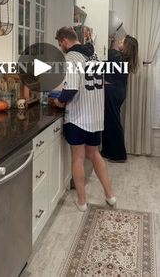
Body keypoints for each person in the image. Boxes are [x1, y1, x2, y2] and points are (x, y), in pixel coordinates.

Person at [54, 26, 116, 211]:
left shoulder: (72, 57)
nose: (61, 47)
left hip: (79, 116)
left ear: (65, 40)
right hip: (95, 115)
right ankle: (110, 195)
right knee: (94, 153)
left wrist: (59, 101)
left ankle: (81, 201)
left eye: (60, 44)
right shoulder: (94, 55)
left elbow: (71, 89)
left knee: (78, 158)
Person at [101, 34, 139, 162]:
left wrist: (108, 43)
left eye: (122, 41)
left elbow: (107, 55)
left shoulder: (118, 57)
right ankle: (107, 151)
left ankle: (119, 155)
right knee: (108, 121)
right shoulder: (124, 59)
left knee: (112, 122)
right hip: (118, 92)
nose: (120, 41)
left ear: (127, 46)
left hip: (113, 93)